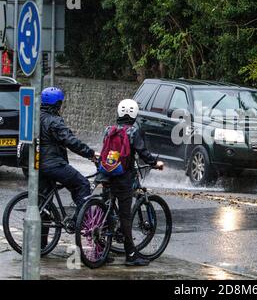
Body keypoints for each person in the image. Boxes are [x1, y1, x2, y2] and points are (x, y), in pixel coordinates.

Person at [100, 99, 164, 266]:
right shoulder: (133, 132)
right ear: (134, 114)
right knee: (125, 216)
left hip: (106, 175)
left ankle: (102, 250)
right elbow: (142, 152)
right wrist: (154, 164)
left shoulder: (109, 130)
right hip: (123, 178)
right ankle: (131, 254)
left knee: (105, 207)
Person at [39, 87, 97, 237]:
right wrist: (90, 153)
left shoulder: (35, 117)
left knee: (44, 203)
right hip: (54, 164)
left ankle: (40, 245)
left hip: (37, 165)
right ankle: (80, 225)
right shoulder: (54, 121)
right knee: (82, 184)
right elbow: (70, 141)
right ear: (57, 104)